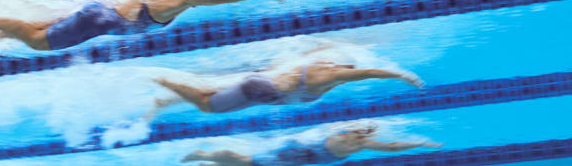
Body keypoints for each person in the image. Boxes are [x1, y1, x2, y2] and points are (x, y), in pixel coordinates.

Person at [0, 0, 299, 51]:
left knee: (44, 23)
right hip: (100, 20)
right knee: (38, 41)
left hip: (101, 8)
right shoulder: (178, 0)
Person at [153, 58, 423, 114]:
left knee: (210, 95)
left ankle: (165, 95)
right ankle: (159, 78)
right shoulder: (327, 77)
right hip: (259, 90)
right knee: (208, 105)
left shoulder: (324, 67)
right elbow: (368, 72)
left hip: (262, 88)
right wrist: (400, 75)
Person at [181, 126, 442, 165]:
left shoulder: (349, 134)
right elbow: (394, 146)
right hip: (297, 154)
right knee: (249, 162)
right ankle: (202, 155)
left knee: (250, 162)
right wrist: (420, 143)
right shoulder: (357, 141)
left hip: (298, 150)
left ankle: (207, 159)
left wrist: (419, 143)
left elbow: (394, 146)